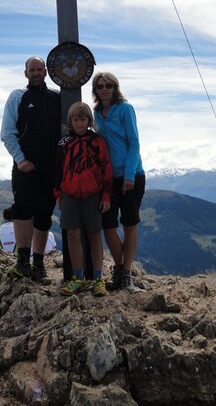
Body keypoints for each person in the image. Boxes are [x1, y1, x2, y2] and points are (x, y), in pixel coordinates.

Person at [0, 56, 61, 283]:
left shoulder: (57, 97)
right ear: (25, 73)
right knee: (22, 211)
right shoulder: (18, 96)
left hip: (51, 168)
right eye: (32, 70)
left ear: (45, 72)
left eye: (39, 69)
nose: (36, 73)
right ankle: (23, 262)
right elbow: (7, 132)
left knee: (44, 215)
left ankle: (38, 264)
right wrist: (20, 159)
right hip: (25, 166)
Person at [92, 71, 145, 293]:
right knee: (108, 226)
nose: (104, 89)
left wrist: (129, 175)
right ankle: (121, 268)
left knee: (130, 224)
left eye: (109, 86)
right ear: (95, 90)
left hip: (131, 175)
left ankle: (126, 273)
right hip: (108, 178)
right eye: (100, 86)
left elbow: (134, 143)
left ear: (115, 88)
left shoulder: (125, 108)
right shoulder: (96, 113)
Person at [55, 102, 113, 297]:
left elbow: (106, 168)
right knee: (72, 234)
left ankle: (98, 279)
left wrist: (106, 195)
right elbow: (57, 171)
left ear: (89, 121)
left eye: (83, 119)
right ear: (70, 121)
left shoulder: (97, 141)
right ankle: (77, 277)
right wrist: (58, 194)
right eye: (76, 120)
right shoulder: (63, 143)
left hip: (92, 194)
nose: (80, 123)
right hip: (69, 194)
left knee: (94, 235)